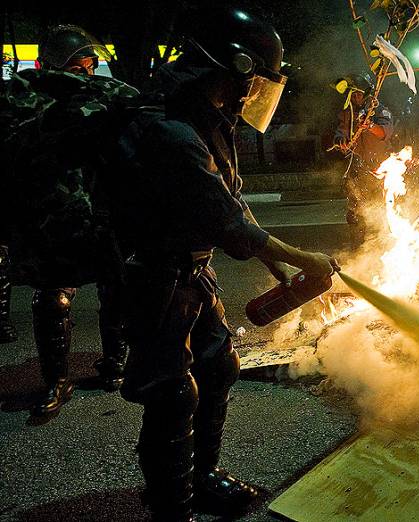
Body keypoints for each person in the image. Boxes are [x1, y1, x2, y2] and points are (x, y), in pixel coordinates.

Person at [110, 8, 339, 520]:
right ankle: (172, 504)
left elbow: (234, 202)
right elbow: (229, 226)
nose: (252, 95)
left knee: (219, 368)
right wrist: (306, 258)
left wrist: (279, 268)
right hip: (155, 277)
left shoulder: (210, 120)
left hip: (194, 273)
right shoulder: (169, 130)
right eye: (253, 81)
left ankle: (201, 476)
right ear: (231, 66)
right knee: (172, 394)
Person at [15, 25, 131, 417]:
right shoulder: (26, 95)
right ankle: (56, 379)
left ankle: (116, 364)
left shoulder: (100, 96)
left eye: (90, 65)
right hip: (54, 215)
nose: (87, 71)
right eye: (78, 65)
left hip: (101, 209)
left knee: (116, 287)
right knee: (52, 296)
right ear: (48, 65)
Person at [331, 74, 394, 228]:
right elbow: (340, 133)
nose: (355, 97)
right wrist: (341, 142)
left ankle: (383, 241)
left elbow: (385, 133)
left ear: (366, 93)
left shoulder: (378, 110)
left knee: (381, 207)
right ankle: (358, 247)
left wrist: (370, 125)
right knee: (355, 213)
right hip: (358, 166)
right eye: (352, 94)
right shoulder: (348, 113)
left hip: (380, 165)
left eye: (358, 94)